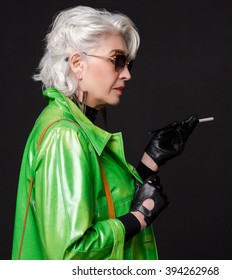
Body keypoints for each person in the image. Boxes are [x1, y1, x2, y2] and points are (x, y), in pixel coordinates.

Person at [12, 5, 198, 260]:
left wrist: (150, 161)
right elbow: (70, 256)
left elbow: (105, 206)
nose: (127, 74)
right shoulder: (65, 136)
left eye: (129, 63)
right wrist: (139, 218)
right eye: (117, 61)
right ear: (77, 64)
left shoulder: (76, 127)